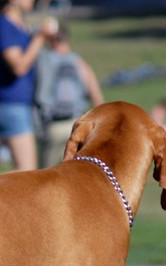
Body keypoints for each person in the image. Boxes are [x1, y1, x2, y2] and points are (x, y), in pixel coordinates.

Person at [0, 0, 56, 171]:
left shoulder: (19, 24)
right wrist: (40, 37)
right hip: (11, 104)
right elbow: (18, 66)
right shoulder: (5, 24)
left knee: (25, 171)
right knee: (26, 170)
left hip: (20, 104)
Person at [34, 22, 103, 168]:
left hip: (52, 126)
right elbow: (97, 97)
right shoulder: (79, 63)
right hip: (77, 125)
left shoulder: (44, 59)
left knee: (46, 180)